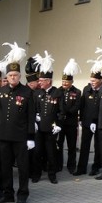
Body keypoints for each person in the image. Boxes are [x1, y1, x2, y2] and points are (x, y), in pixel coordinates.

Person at [0, 54, 36, 203]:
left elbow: (30, 116)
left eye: (16, 75)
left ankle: (22, 194)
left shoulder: (27, 92)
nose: (13, 77)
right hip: (3, 136)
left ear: (20, 76)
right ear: (7, 76)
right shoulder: (1, 91)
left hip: (21, 137)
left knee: (23, 167)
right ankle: (8, 193)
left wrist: (31, 137)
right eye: (10, 75)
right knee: (4, 167)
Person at [33, 53, 63, 184]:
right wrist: (35, 117)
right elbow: (33, 109)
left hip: (51, 128)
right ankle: (37, 174)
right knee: (37, 152)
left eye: (41, 81)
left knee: (51, 153)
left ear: (48, 81)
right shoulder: (37, 93)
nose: (39, 83)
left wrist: (58, 124)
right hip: (39, 128)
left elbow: (61, 111)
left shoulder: (57, 93)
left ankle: (52, 174)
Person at [75, 64, 102, 176]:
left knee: (98, 146)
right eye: (91, 80)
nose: (92, 82)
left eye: (94, 80)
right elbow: (82, 105)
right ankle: (81, 168)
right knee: (84, 146)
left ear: (100, 80)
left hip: (99, 123)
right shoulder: (86, 89)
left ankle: (96, 167)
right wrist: (81, 119)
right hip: (87, 122)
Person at [56, 59, 82, 174]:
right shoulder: (57, 91)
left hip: (71, 123)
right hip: (60, 123)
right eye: (63, 81)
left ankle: (72, 166)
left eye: (67, 82)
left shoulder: (77, 92)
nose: (64, 84)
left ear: (71, 82)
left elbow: (76, 107)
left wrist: (64, 111)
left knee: (72, 146)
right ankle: (58, 165)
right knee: (58, 145)